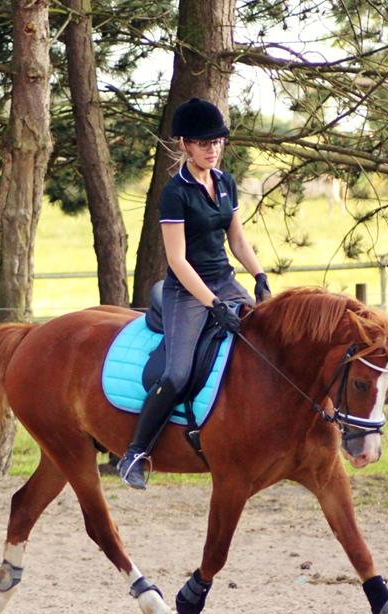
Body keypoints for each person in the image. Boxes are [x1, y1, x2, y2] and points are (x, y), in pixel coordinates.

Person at [118, 97, 273, 489]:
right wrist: (213, 304)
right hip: (186, 291)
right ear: (185, 144)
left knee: (266, 340)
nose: (212, 149)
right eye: (204, 143)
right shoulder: (176, 192)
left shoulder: (225, 183)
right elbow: (177, 259)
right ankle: (135, 451)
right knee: (177, 373)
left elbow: (237, 239)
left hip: (225, 280)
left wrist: (259, 275)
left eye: (217, 142)